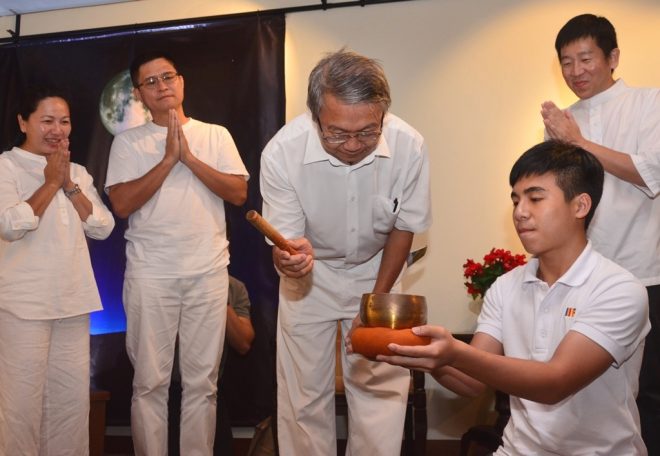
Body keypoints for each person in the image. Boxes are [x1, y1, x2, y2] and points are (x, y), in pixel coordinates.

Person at [381, 141, 650, 455]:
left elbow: (555, 383)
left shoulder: (619, 289)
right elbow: (471, 382)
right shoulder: (506, 286)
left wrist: (453, 351)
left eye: (535, 198)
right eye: (515, 200)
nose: (520, 212)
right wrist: (423, 353)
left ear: (580, 206)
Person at [259, 49, 431, 455]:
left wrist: (374, 301)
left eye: (367, 132)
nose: (353, 145)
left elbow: (403, 227)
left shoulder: (409, 146)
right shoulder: (282, 152)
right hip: (310, 277)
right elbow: (284, 243)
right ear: (315, 116)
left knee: (380, 393)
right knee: (303, 397)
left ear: (383, 115)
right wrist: (289, 260)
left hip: (379, 270)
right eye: (337, 133)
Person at [104, 51, 249, 455]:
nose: (162, 86)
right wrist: (169, 160)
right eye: (151, 82)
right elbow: (122, 204)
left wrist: (189, 157)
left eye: (167, 77)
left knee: (203, 384)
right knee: (150, 382)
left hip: (208, 271)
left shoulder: (215, 135)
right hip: (151, 274)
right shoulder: (128, 143)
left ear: (181, 82)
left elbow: (238, 192)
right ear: (139, 94)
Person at [540, 14, 660, 454]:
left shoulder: (651, 103)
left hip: (642, 270)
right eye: (567, 62)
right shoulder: (564, 120)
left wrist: (578, 142)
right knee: (582, 392)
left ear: (612, 57)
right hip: (578, 277)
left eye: (586, 58)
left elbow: (649, 174)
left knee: (646, 394)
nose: (576, 72)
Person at [0, 86, 115, 455]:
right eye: (46, 120)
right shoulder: (6, 166)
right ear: (23, 122)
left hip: (72, 301)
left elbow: (102, 226)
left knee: (70, 408)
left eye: (64, 121)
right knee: (20, 408)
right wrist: (50, 183)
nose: (57, 129)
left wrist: (68, 186)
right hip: (23, 306)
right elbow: (10, 224)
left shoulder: (77, 171)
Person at [167, 275, 256, 456]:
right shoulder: (169, 281)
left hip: (211, 390)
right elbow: (160, 342)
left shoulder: (234, 287)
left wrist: (218, 296)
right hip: (169, 392)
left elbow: (243, 343)